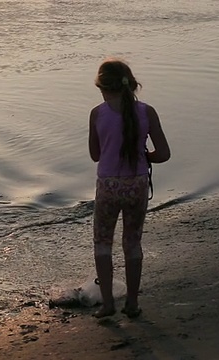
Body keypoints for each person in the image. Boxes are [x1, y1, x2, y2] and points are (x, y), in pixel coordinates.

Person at [88, 59, 171, 318]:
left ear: (102, 86)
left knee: (103, 242)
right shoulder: (147, 112)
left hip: (109, 185)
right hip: (136, 184)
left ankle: (108, 304)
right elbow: (164, 154)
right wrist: (145, 156)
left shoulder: (98, 113)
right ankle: (132, 303)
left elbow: (95, 155)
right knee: (132, 243)